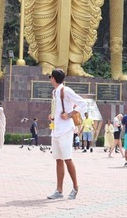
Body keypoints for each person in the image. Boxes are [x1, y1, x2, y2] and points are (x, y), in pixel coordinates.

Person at [47, 68, 87, 200]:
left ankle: (75, 187)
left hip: (65, 130)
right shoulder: (54, 92)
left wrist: (69, 115)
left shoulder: (66, 90)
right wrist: (53, 117)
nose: (50, 79)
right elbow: (57, 110)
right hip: (56, 130)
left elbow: (83, 104)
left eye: (51, 77)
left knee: (67, 158)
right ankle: (59, 190)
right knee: (58, 159)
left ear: (53, 78)